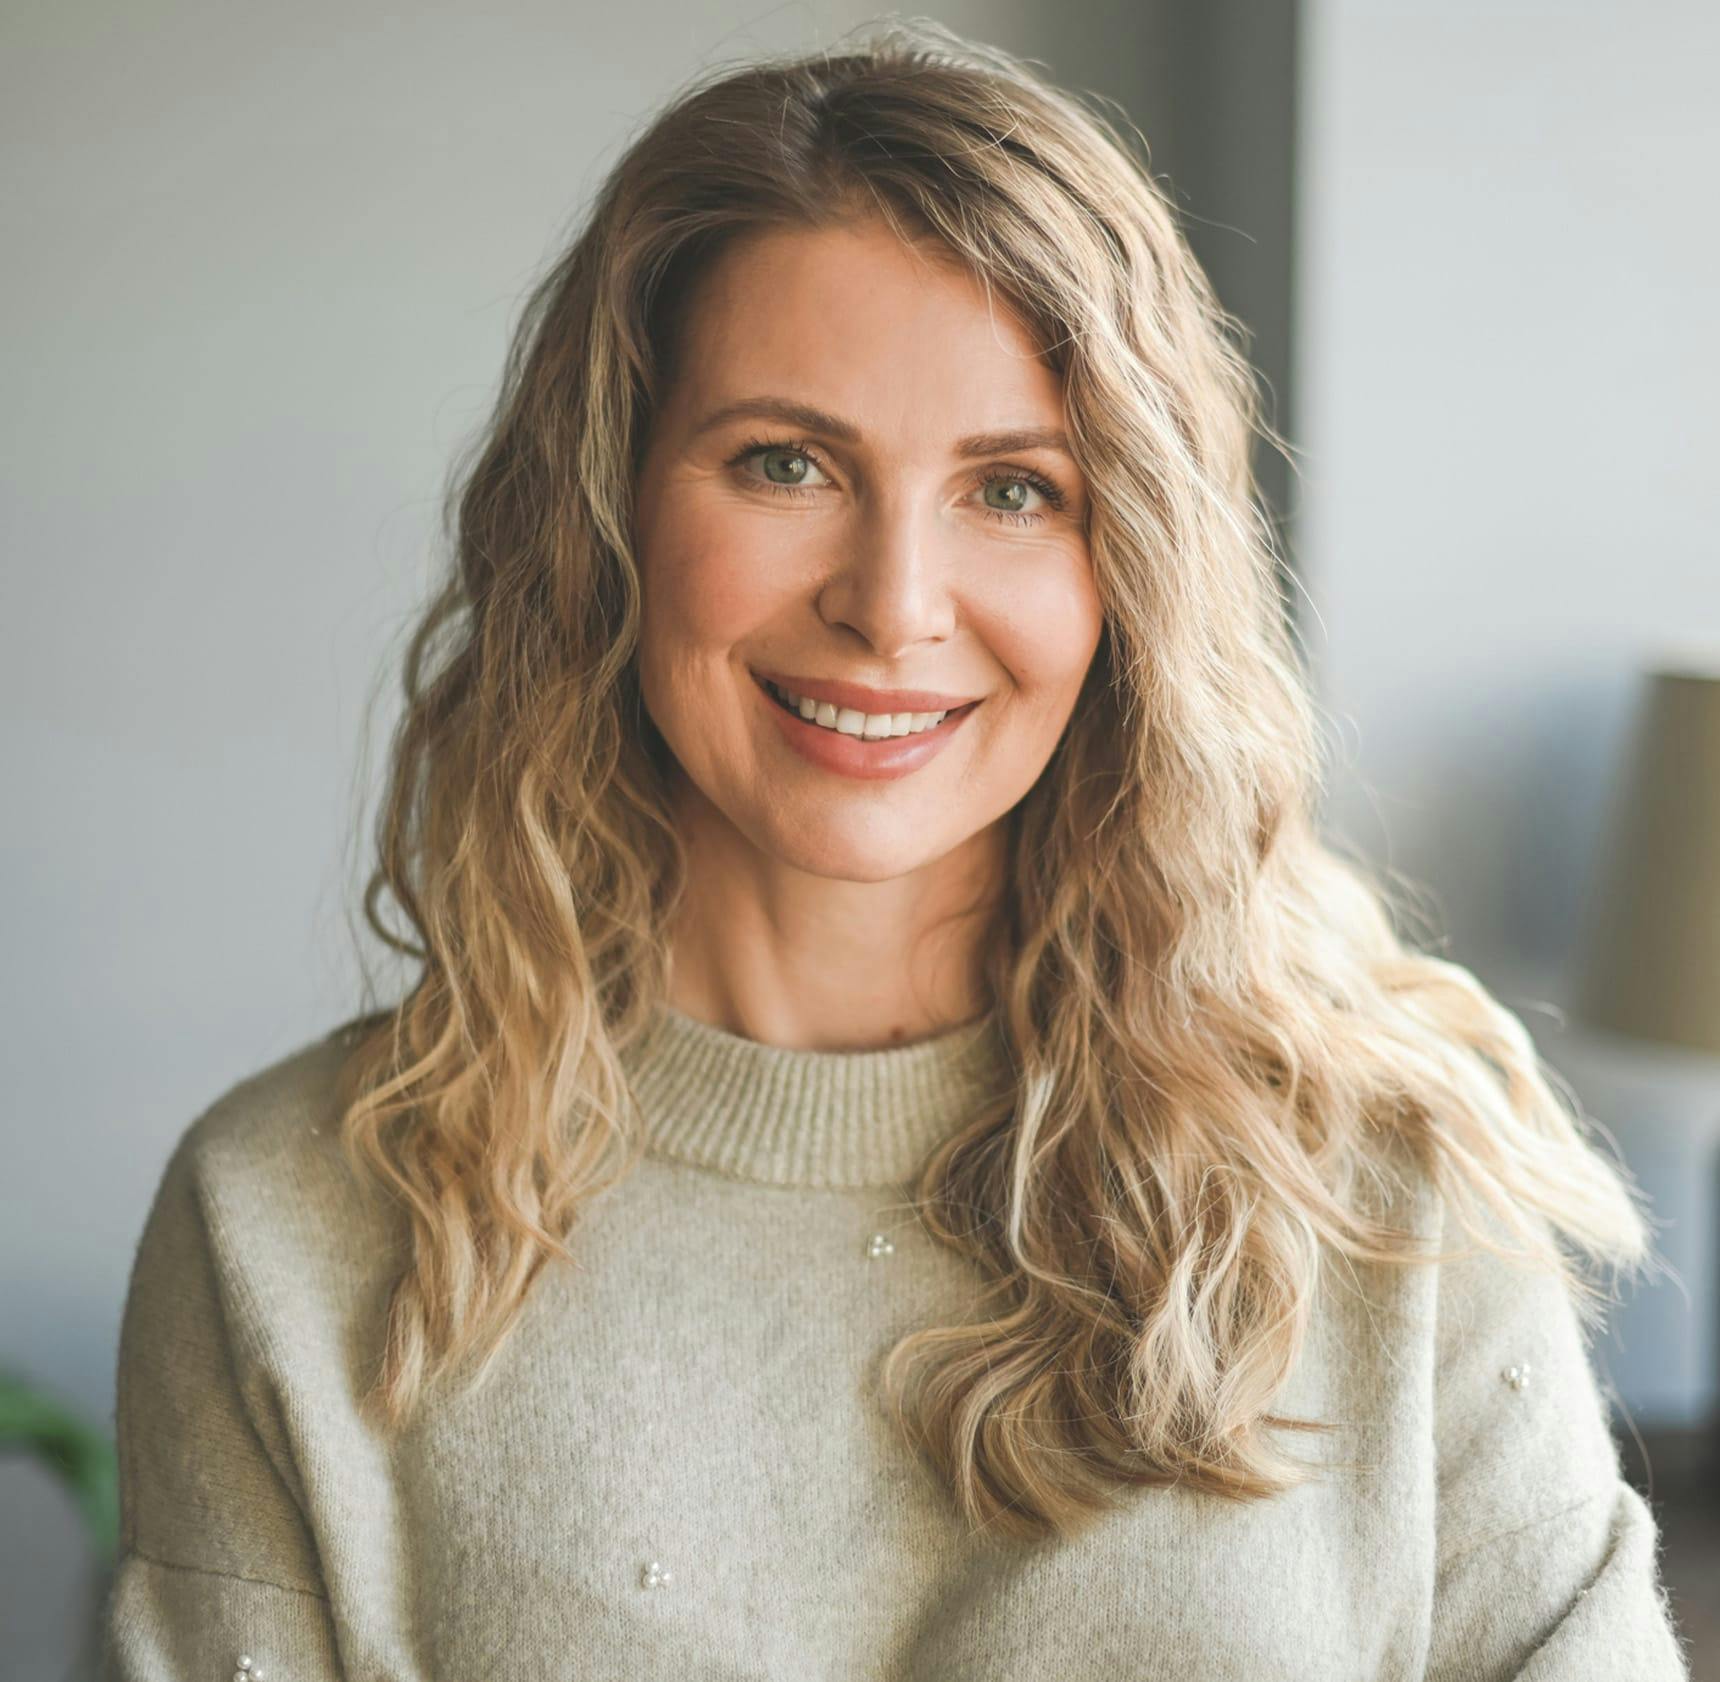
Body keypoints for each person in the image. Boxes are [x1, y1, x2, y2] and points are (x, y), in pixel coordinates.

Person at [100, 19, 1691, 1680]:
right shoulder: (287, 1226)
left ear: (1127, 566)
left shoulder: (1394, 1180)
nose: (894, 604)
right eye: (785, 463)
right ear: (611, 513)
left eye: (1013, 490)